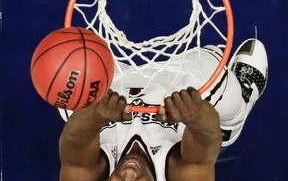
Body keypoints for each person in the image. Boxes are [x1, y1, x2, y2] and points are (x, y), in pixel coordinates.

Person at [58, 38, 268, 180]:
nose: (129, 175)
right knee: (223, 89)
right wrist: (195, 115)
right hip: (175, 87)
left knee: (67, 81)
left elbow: (74, 142)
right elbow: (206, 141)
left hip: (113, 89)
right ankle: (236, 114)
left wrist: (94, 115)